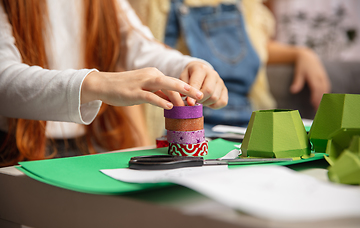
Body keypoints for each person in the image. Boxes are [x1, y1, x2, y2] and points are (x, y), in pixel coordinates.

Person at [0, 0, 228, 167]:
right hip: (14, 151)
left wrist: (190, 66)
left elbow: (140, 46)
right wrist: (98, 83)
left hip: (90, 147)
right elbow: (5, 80)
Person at [130, 0, 330, 134]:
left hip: (247, 118)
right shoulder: (153, 6)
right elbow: (138, 50)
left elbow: (255, 45)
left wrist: (300, 53)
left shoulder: (246, 4)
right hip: (183, 122)